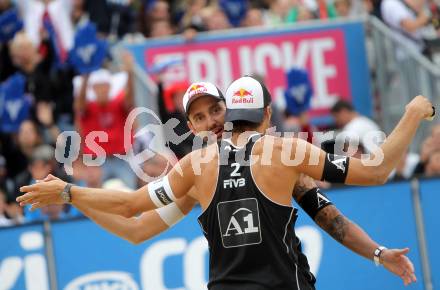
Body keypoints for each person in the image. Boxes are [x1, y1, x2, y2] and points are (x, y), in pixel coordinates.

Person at [19, 77, 433, 289]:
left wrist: (378, 253)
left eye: (215, 110)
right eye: (198, 118)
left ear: (231, 108)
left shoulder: (198, 171)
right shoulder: (205, 169)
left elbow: (331, 219)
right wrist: (414, 111)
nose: (210, 121)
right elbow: (134, 227)